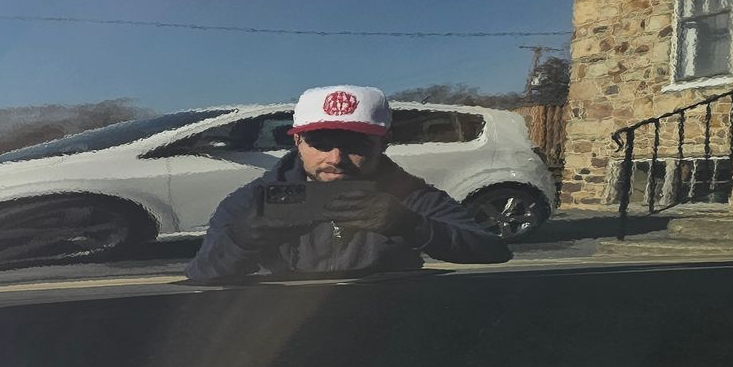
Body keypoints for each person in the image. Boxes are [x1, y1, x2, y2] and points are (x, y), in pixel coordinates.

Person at [187, 85, 511, 282]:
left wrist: (412, 225)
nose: (336, 157)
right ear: (297, 141)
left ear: (384, 143)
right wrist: (242, 239)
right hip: (277, 329)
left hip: (385, 321)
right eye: (321, 142)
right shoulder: (253, 201)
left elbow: (493, 251)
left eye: (355, 145)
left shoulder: (408, 195)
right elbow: (202, 275)